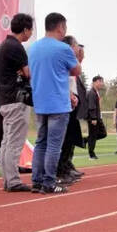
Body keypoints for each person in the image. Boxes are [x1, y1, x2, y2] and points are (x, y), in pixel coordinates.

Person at [27, 13, 80, 194]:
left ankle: (37, 180)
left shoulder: (33, 48)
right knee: (54, 145)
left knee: (40, 142)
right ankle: (49, 182)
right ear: (60, 27)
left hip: (40, 101)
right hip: (58, 102)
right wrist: (74, 54)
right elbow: (76, 70)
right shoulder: (63, 48)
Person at [0, 12, 33, 193]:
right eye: (30, 29)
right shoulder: (16, 47)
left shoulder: (5, 45)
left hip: (5, 100)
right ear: (25, 29)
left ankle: (7, 179)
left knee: (7, 141)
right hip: (16, 100)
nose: (31, 33)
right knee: (14, 143)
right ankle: (13, 181)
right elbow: (28, 74)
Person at [57, 37, 86, 184]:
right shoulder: (64, 61)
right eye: (76, 47)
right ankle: (61, 170)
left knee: (71, 139)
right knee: (64, 139)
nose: (79, 52)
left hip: (72, 104)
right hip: (64, 103)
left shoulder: (73, 66)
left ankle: (66, 166)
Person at [86, 75, 104, 160]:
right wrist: (93, 118)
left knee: (103, 133)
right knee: (93, 136)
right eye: (100, 81)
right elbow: (91, 106)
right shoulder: (92, 93)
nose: (101, 83)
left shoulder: (96, 92)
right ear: (94, 82)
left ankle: (85, 140)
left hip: (97, 118)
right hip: (93, 119)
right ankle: (91, 155)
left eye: (102, 81)